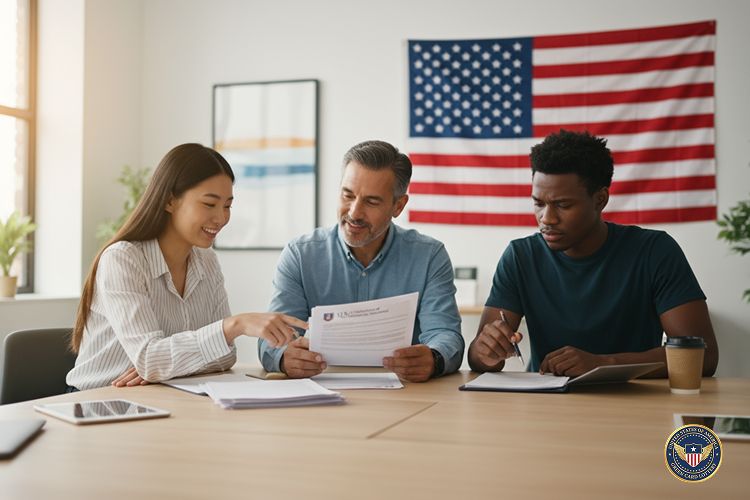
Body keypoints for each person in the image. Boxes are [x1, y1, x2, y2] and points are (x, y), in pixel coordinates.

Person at [468, 130, 719, 377]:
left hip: (635, 405)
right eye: (539, 203)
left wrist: (603, 363)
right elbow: (479, 360)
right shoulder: (521, 256)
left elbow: (703, 356)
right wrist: (485, 351)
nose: (547, 218)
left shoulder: (654, 251)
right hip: (547, 405)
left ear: (600, 199)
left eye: (563, 205)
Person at [67, 143, 305, 391]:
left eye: (227, 206)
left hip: (157, 396)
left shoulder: (206, 260)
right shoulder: (123, 260)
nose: (221, 218)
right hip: (95, 400)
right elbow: (152, 360)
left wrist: (164, 366)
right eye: (209, 204)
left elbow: (225, 357)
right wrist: (234, 325)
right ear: (170, 201)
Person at [258, 140, 464, 382]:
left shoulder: (429, 256)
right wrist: (284, 357)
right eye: (348, 195)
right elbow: (273, 339)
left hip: (405, 396)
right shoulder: (300, 254)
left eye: (372, 202)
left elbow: (445, 335)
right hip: (319, 394)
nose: (354, 212)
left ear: (398, 205)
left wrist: (434, 358)